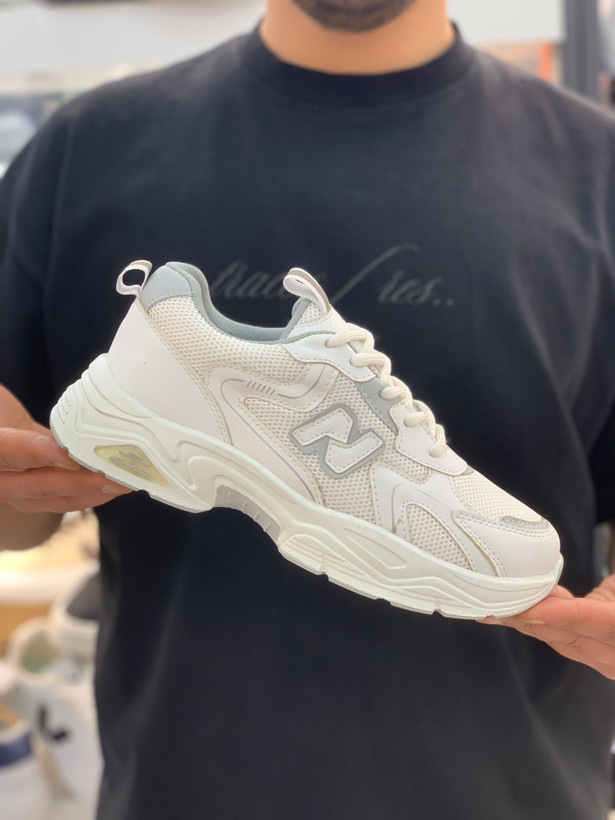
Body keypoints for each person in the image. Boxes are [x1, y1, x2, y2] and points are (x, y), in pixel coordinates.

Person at [1, 0, 614, 817]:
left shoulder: (600, 166)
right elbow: (21, 512)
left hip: (524, 791)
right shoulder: (80, 150)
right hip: (184, 789)